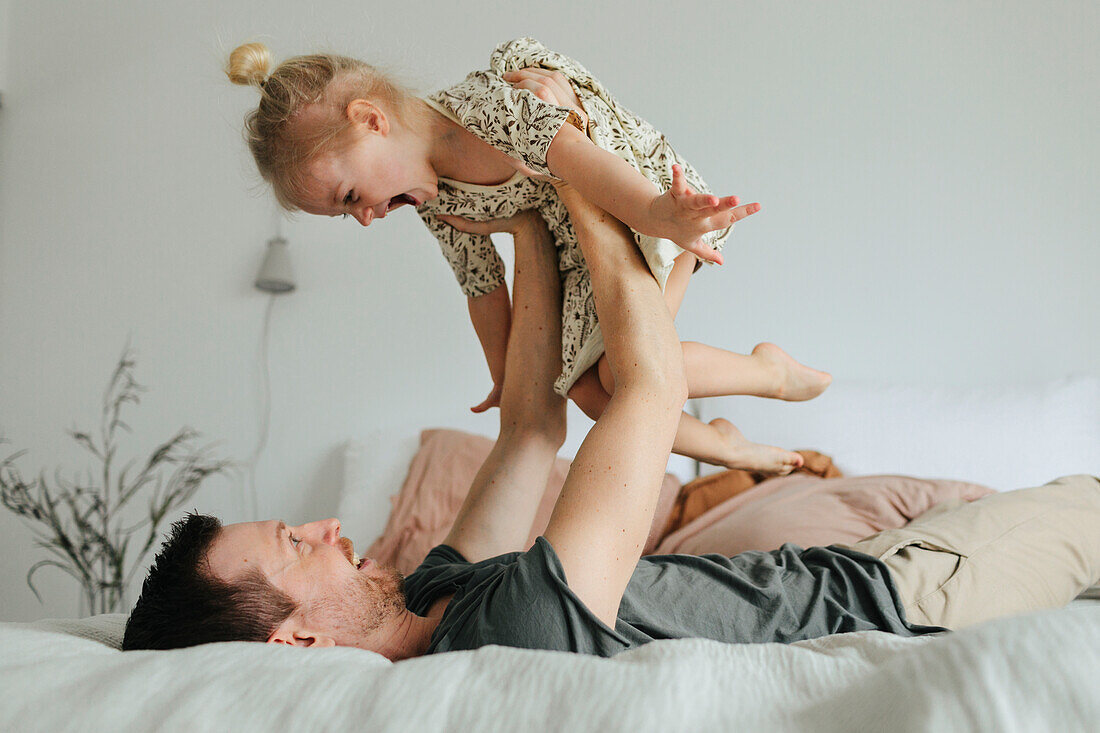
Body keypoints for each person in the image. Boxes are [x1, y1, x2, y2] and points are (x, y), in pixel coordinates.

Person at [122, 180, 1100, 657]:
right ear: (291, 641)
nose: (328, 525)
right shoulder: (503, 633)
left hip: (895, 563)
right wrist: (578, 177)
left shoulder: (434, 597)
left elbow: (531, 429)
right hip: (901, 593)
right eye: (299, 543)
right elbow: (642, 396)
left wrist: (521, 229)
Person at [224, 36, 834, 475]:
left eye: (351, 197)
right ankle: (727, 443)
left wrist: (660, 213)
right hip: (586, 247)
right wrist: (502, 372)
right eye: (345, 214)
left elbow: (583, 162)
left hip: (638, 201)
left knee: (630, 373)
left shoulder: (491, 109)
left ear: (371, 121)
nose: (364, 217)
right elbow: (481, 286)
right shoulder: (439, 202)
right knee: (590, 394)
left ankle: (767, 376)